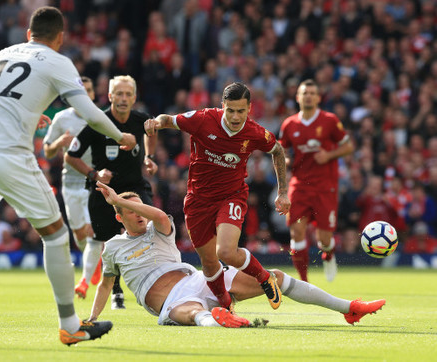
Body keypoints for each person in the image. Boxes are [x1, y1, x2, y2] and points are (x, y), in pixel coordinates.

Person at [0, 7, 136, 348]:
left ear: (29, 32)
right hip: (9, 154)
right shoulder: (58, 62)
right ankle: (70, 325)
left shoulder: (5, 52)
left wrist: (16, 111)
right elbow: (90, 113)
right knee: (57, 236)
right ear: (59, 37)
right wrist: (121, 137)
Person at [88, 181, 386, 327]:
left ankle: (349, 307)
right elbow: (104, 285)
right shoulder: (113, 247)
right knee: (191, 313)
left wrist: (123, 200)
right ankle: (219, 320)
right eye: (129, 210)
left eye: (140, 207)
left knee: (276, 278)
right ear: (119, 218)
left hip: (201, 279)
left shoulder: (158, 228)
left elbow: (161, 217)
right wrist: (92, 318)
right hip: (169, 301)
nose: (138, 215)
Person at [144, 82, 290, 312]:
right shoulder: (203, 119)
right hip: (197, 200)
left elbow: (278, 151)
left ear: (249, 109)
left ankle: (264, 278)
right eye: (230, 110)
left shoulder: (254, 132)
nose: (234, 116)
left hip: (231, 196)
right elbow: (168, 119)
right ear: (222, 106)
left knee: (225, 252)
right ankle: (226, 306)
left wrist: (283, 192)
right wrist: (155, 122)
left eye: (241, 111)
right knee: (210, 262)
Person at [66, 75, 158, 310]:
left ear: (134, 97)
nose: (123, 98)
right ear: (110, 96)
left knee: (151, 228)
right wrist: (93, 174)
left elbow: (151, 133)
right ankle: (116, 291)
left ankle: (155, 283)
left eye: (128, 94)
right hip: (104, 192)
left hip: (135, 188)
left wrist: (149, 156)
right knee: (108, 244)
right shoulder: (97, 122)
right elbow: (71, 156)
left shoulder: (140, 119)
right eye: (119, 93)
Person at [279, 79, 354, 283]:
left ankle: (328, 254)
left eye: (312, 92)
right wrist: (285, 159)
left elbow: (348, 147)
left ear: (319, 97)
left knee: (324, 239)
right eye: (305, 93)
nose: (309, 96)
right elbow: (281, 149)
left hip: (325, 186)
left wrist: (329, 155)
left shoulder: (330, 120)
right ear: (298, 97)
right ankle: (304, 282)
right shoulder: (289, 124)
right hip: (300, 185)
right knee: (297, 231)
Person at [43, 76, 102, 298]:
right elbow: (47, 151)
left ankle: (84, 281)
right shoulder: (61, 118)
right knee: (80, 237)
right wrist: (59, 143)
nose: (85, 95)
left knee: (91, 232)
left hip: (91, 182)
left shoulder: (99, 117)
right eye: (80, 91)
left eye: (88, 90)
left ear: (93, 94)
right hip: (69, 183)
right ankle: (93, 263)